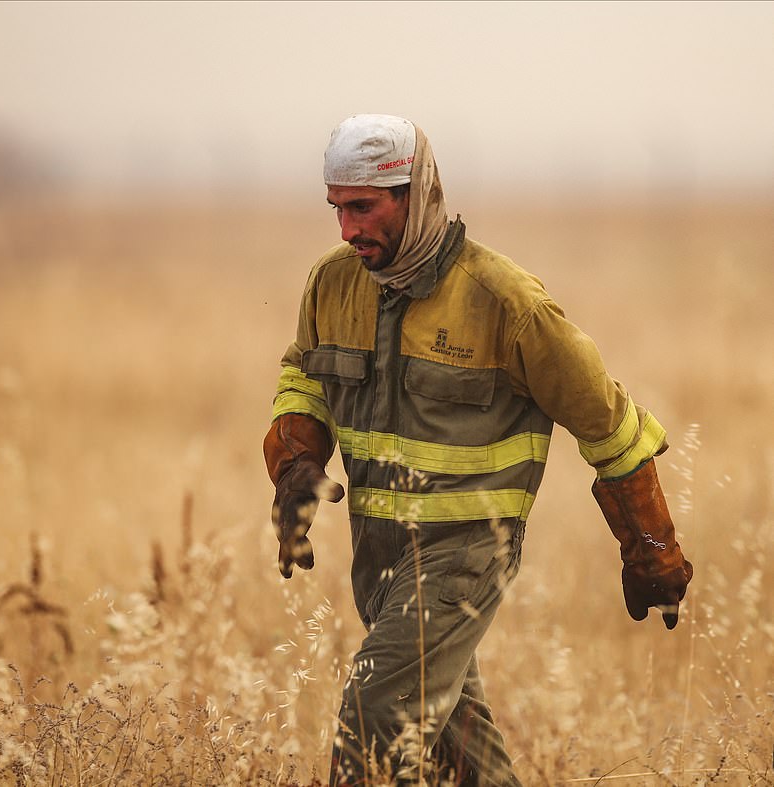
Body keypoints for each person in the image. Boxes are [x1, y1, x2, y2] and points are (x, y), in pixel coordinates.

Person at [262, 114, 693, 786]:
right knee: (459, 756)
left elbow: (610, 423)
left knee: (375, 715)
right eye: (337, 210)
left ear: (416, 192)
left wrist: (653, 547)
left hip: (467, 552)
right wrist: (294, 462)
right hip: (379, 557)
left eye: (364, 207)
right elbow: (303, 378)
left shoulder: (506, 302)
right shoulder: (331, 284)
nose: (347, 231)